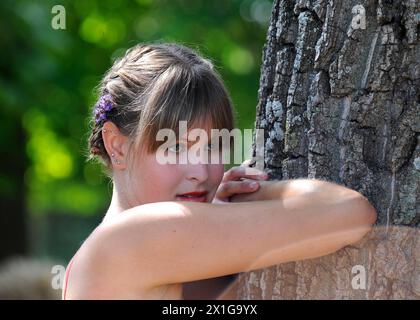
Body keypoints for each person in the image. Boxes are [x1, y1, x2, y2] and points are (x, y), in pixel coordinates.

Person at [62, 42, 377, 300]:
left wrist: (216, 214)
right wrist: (258, 195)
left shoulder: (104, 252)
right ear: (117, 147)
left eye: (212, 147)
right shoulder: (133, 236)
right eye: (175, 148)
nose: (201, 171)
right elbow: (350, 212)